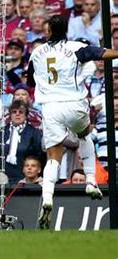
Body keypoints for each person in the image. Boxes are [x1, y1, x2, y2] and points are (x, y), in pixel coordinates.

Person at [27, 15, 118, 229]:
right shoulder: (76, 47)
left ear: (49, 31)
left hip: (50, 107)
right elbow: (102, 54)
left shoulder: (37, 52)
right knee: (85, 133)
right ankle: (90, 180)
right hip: (74, 103)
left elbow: (30, 80)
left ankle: (48, 196)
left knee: (53, 156)